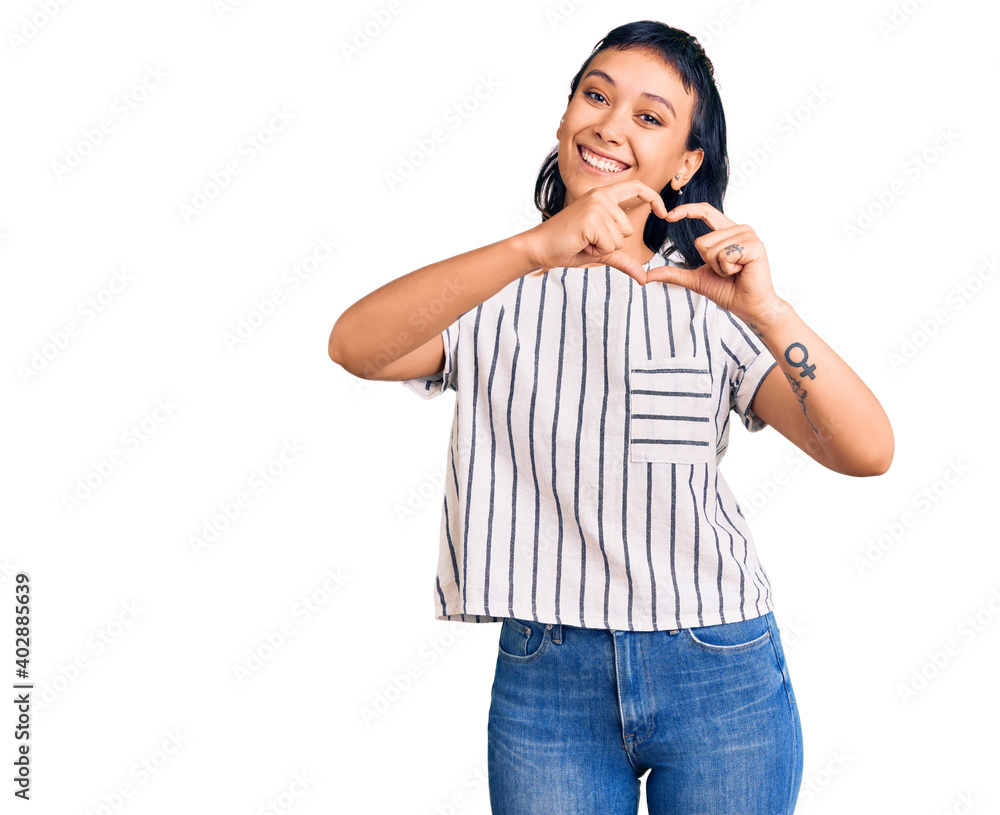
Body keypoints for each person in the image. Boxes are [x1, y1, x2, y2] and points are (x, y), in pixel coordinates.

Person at [329, 19, 893, 815]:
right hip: (548, 676)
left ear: (687, 162)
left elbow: (868, 450)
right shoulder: (493, 289)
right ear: (564, 118)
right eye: (595, 95)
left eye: (650, 116)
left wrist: (770, 310)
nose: (610, 124)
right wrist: (532, 248)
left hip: (718, 663)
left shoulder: (716, 299)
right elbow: (354, 345)